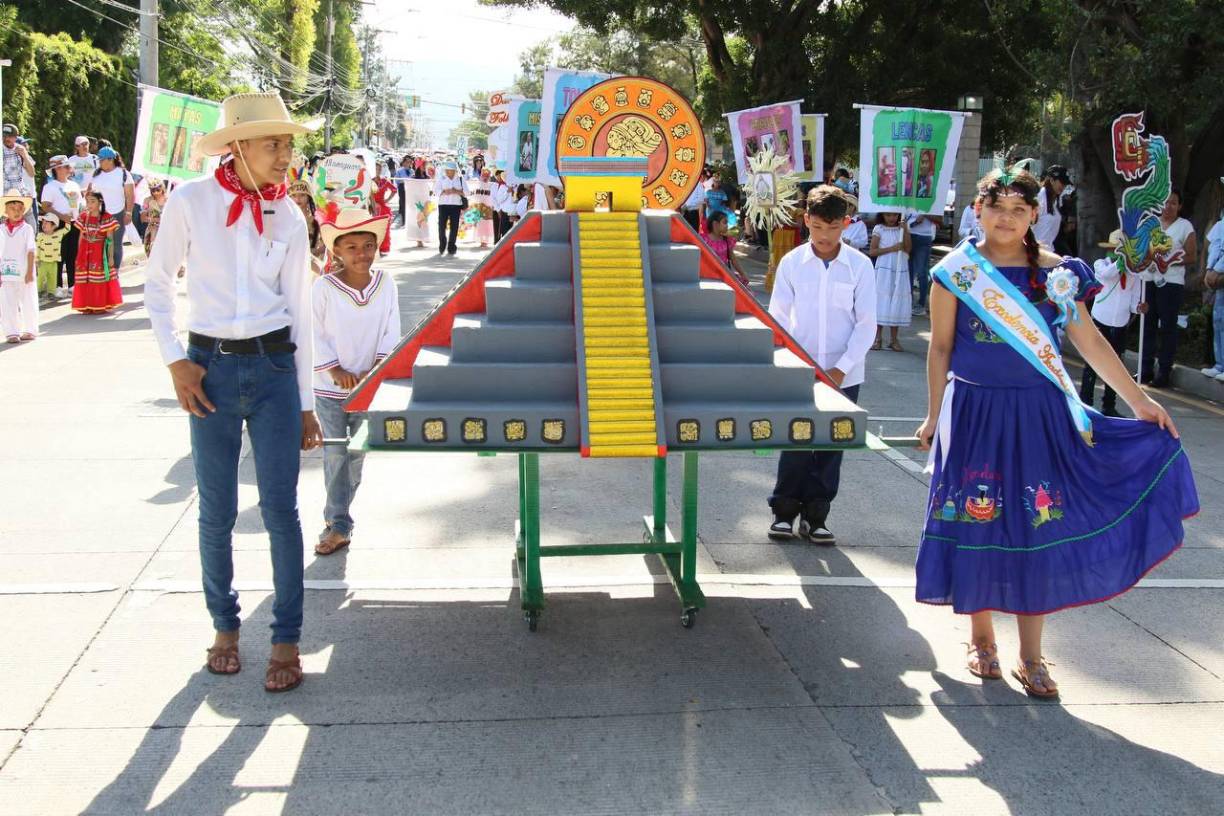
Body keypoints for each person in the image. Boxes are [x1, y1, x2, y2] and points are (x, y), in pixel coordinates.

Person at [915, 168, 1196, 699]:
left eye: (1018, 210)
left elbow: (1088, 341)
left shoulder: (1057, 273)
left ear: (1034, 216)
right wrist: (933, 415)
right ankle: (981, 640)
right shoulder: (955, 272)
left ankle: (1031, 655)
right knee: (977, 519)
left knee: (1035, 524)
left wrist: (1139, 400)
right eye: (997, 207)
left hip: (1039, 415)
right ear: (978, 211)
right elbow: (942, 347)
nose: (1006, 218)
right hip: (974, 412)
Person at [143, 92, 324, 693]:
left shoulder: (289, 216)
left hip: (274, 369)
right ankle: (224, 627)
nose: (286, 155)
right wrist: (176, 361)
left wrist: (306, 403)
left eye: (288, 144)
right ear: (238, 147)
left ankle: (286, 638)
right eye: (274, 144)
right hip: (209, 369)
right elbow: (158, 284)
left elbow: (300, 311)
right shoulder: (191, 202)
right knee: (216, 510)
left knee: (281, 511)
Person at [767, 185, 876, 544]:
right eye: (817, 227)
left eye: (832, 227)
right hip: (800, 369)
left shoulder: (860, 266)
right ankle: (784, 511)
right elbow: (778, 319)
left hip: (845, 372)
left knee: (832, 443)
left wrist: (842, 368)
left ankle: (816, 516)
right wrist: (789, 362)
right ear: (806, 220)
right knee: (796, 439)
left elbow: (866, 324)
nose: (824, 236)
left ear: (846, 223)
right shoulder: (792, 263)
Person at [312, 207, 401, 556]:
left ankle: (337, 514)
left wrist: (375, 369)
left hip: (368, 386)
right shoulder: (324, 287)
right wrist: (335, 370)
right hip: (329, 387)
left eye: (368, 246)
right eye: (351, 247)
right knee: (336, 452)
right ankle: (339, 523)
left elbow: (391, 328)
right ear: (336, 250)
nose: (361, 254)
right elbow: (314, 331)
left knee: (357, 454)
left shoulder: (386, 283)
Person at [1080, 231, 1143, 416]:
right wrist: (1121, 262)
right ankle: (1085, 403)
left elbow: (1134, 302)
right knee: (1092, 363)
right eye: (1117, 250)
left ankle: (1109, 405)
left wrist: (1140, 308)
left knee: (1116, 366)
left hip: (1120, 324)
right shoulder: (1101, 264)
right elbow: (1107, 275)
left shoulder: (1134, 274)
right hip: (1100, 320)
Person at [1141, 189, 1197, 387]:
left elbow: (1191, 255)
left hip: (1171, 283)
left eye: (1173, 203)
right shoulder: (1152, 224)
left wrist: (1169, 260)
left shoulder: (1184, 226)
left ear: (1179, 206)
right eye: (1166, 202)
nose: (1168, 206)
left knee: (1167, 327)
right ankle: (1145, 369)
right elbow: (1142, 250)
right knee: (1147, 324)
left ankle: (1164, 371)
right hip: (1149, 279)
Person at [71, 190, 122, 313]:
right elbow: (81, 236)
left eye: (92, 201)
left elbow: (110, 239)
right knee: (85, 278)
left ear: (100, 202)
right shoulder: (83, 216)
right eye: (88, 201)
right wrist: (79, 254)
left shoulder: (107, 218)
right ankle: (86, 305)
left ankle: (99, 304)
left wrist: (110, 257)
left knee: (97, 278)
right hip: (85, 251)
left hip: (99, 252)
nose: (89, 204)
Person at [869, 211, 911, 352]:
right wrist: (892, 248)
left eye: (894, 215)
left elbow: (908, 248)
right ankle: (877, 338)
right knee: (881, 301)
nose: (891, 218)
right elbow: (872, 251)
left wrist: (905, 231)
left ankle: (894, 339)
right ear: (882, 215)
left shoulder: (903, 228)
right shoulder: (879, 229)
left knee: (896, 300)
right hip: (884, 269)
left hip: (900, 267)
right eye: (888, 215)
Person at [40, 155, 81, 297]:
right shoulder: (49, 187)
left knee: (73, 254)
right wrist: (62, 216)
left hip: (74, 222)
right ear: (57, 169)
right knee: (58, 254)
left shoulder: (74, 185)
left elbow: (79, 204)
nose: (69, 169)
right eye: (66, 166)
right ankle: (56, 285)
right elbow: (45, 206)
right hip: (57, 223)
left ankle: (72, 284)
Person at [88, 147, 135, 271]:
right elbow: (90, 191)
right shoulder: (97, 174)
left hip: (117, 214)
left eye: (102, 160)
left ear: (111, 160)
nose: (100, 162)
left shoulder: (123, 174)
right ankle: (101, 271)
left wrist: (129, 212)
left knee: (115, 244)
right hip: (99, 215)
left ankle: (114, 271)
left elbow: (130, 195)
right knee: (98, 243)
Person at [0, 190, 37, 342]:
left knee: (28, 300)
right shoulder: (1, 229)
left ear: (24, 210)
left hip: (24, 272)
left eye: (19, 209)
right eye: (12, 209)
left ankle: (30, 329)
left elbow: (31, 250)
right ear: (6, 211)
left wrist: (29, 271)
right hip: (6, 273)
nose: (16, 212)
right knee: (7, 302)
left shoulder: (27, 229)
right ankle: (11, 331)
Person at [1201, 202, 1224, 381]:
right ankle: (1220, 365)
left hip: (1221, 272)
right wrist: (1210, 269)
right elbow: (1214, 245)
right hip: (1218, 276)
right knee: (1219, 320)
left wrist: (1218, 269)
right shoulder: (1221, 223)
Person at [906, 210, 940, 315]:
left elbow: (940, 220)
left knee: (922, 272)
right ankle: (908, 302)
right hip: (908, 235)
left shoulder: (931, 204)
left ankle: (921, 304)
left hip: (924, 237)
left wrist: (925, 214)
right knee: (908, 271)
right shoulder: (908, 201)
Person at [701, 210, 748, 285]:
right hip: (707, 276)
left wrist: (743, 274)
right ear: (715, 224)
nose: (727, 225)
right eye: (725, 222)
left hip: (724, 275)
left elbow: (733, 259)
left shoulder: (726, 240)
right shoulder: (703, 240)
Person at [433, 161, 466, 256]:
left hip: (456, 206)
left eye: (450, 171)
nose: (448, 172)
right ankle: (442, 243)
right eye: (447, 170)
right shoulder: (441, 179)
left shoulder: (460, 179)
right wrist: (444, 191)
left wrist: (456, 191)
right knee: (441, 226)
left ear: (455, 171)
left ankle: (451, 246)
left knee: (454, 227)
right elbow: (435, 191)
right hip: (443, 205)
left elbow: (467, 192)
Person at [1032, 164, 1068, 249]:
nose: (1064, 186)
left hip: (1048, 250)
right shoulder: (1040, 197)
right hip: (1035, 250)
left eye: (1065, 184)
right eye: (1062, 182)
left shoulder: (1055, 200)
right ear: (1052, 180)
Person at [35, 213, 68, 300]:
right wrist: (37, 259)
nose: (43, 225)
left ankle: (51, 292)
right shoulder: (40, 235)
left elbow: (68, 228)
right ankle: (38, 291)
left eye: (46, 223)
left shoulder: (59, 234)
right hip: (42, 262)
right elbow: (37, 247)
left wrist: (66, 215)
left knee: (52, 278)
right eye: (43, 223)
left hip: (54, 262)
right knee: (40, 278)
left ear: (54, 226)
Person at [141, 178, 167, 257]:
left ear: (162, 188)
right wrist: (155, 219)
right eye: (153, 190)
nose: (155, 192)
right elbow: (142, 218)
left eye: (158, 190)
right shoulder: (147, 200)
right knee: (151, 254)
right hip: (152, 231)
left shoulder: (170, 200)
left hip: (166, 231)